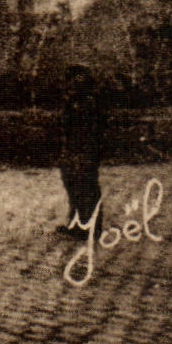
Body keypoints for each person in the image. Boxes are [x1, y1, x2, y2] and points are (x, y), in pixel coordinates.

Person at [56, 64, 105, 240]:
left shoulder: (86, 103)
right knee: (74, 184)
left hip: (83, 150)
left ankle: (90, 225)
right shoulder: (74, 101)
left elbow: (87, 129)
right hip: (74, 150)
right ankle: (78, 223)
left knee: (84, 185)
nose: (70, 84)